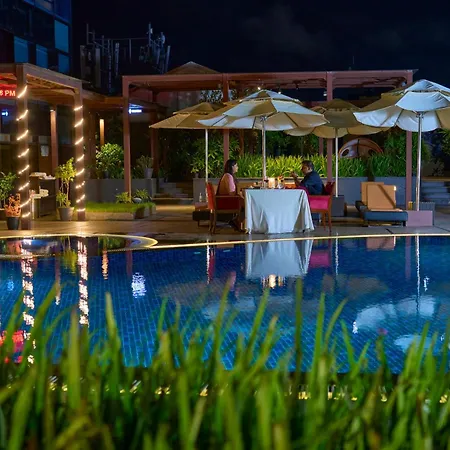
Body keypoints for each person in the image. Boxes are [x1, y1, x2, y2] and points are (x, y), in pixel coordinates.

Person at [217, 159, 244, 231]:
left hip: (225, 200)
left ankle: (237, 221)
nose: (237, 167)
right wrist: (240, 194)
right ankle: (236, 221)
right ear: (232, 167)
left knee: (246, 202)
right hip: (226, 201)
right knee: (247, 204)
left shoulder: (227, 175)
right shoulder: (228, 176)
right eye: (236, 165)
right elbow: (231, 192)